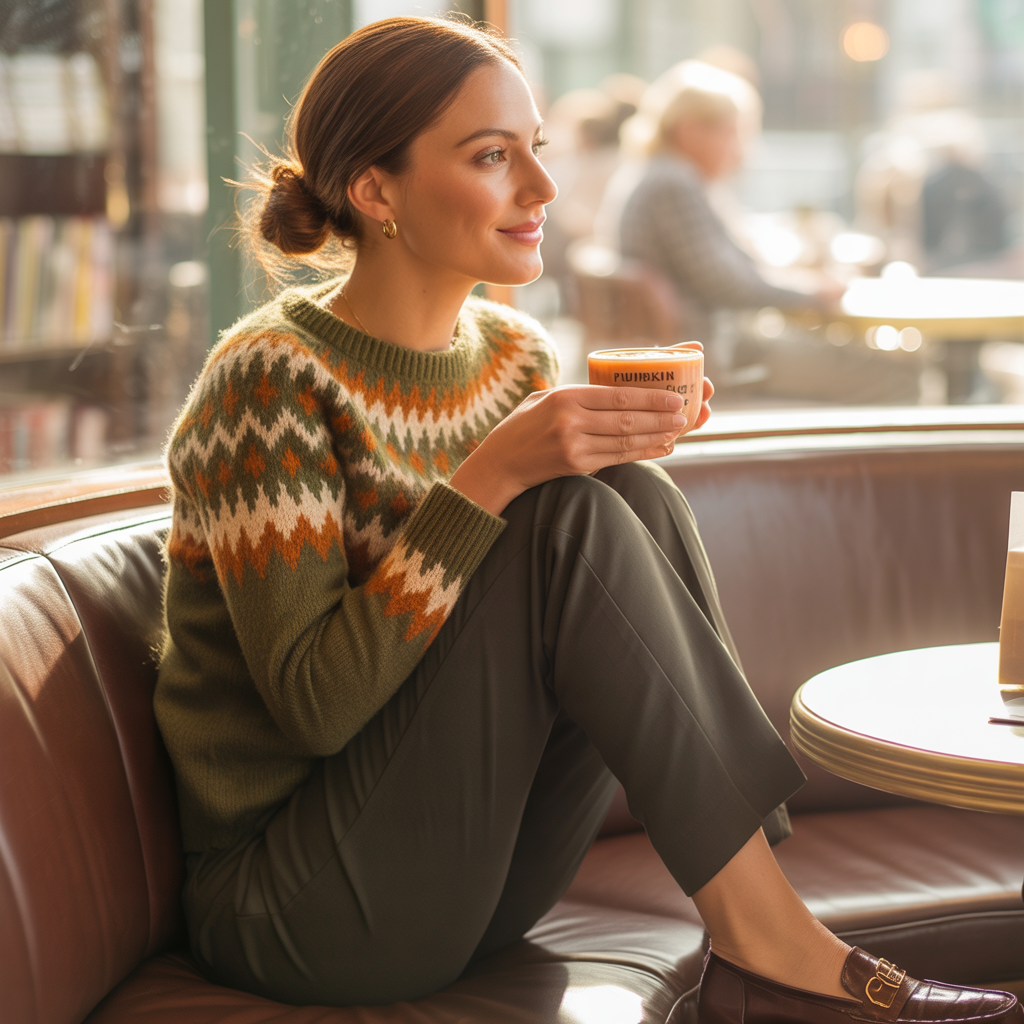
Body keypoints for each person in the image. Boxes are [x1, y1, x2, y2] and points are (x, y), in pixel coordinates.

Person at [153, 17, 1022, 1023]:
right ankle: (767, 937)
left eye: (536, 150)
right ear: (375, 190)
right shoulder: (267, 382)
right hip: (296, 905)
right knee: (565, 512)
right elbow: (310, 706)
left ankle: (757, 916)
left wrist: (581, 461)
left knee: (628, 496)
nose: (543, 190)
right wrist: (487, 479)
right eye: (491, 156)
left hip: (473, 879)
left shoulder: (511, 357)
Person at [605, 61, 840, 350]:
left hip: (706, 340)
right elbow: (728, 284)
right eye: (731, 133)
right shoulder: (673, 184)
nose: (740, 148)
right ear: (689, 130)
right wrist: (814, 293)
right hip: (711, 348)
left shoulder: (659, 172)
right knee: (889, 370)